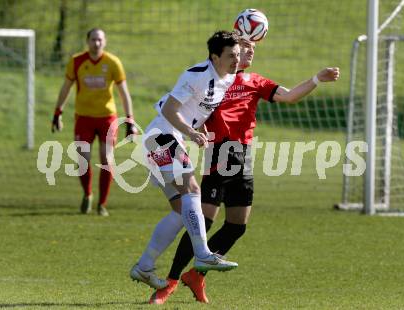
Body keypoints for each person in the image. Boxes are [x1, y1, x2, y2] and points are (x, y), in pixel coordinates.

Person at [148, 39, 340, 304]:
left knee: (237, 227)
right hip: (218, 155)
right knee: (201, 223)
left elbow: (289, 96)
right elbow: (184, 103)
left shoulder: (255, 81)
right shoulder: (215, 81)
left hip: (244, 157)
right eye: (242, 48)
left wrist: (317, 78)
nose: (248, 52)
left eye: (252, 49)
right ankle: (169, 282)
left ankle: (196, 275)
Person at [129, 30, 241, 290]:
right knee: (192, 190)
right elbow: (169, 109)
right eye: (230, 55)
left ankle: (144, 267)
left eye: (237, 55)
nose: (236, 60)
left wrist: (194, 127)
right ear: (215, 57)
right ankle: (203, 254)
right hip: (161, 137)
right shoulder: (198, 74)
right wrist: (191, 131)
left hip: (166, 139)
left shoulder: (227, 77)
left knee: (181, 211)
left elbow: (193, 109)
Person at [51, 28, 137, 216]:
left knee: (107, 159)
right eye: (93, 39)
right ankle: (88, 194)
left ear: (104, 42)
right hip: (83, 117)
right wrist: (58, 111)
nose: (96, 43)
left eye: (99, 40)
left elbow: (124, 93)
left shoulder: (113, 62)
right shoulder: (76, 61)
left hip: (107, 118)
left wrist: (130, 120)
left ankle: (102, 204)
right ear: (87, 41)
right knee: (83, 159)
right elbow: (66, 87)